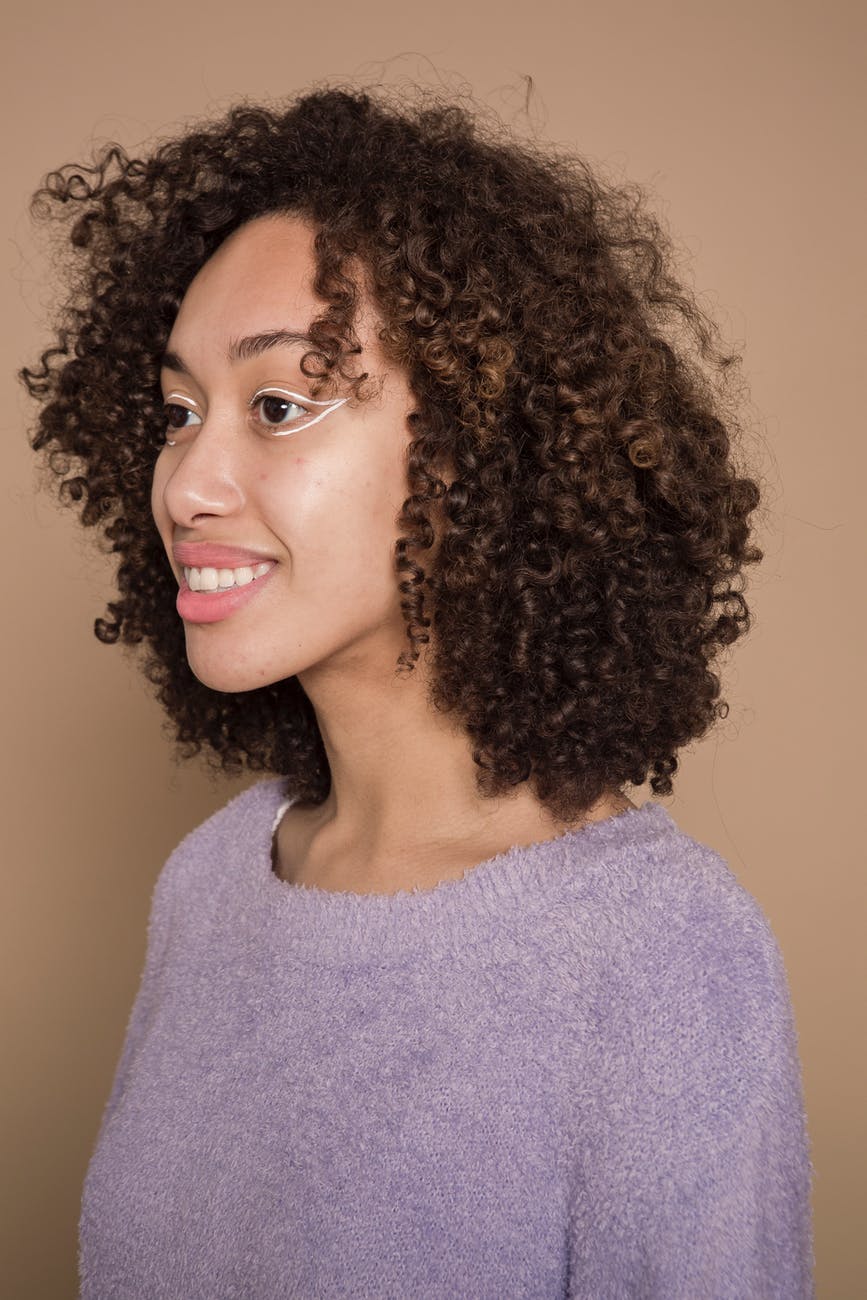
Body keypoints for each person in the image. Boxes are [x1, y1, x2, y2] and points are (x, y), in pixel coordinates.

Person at [21, 85, 815, 1298]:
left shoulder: (660, 958)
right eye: (179, 412)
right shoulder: (214, 878)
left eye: (278, 405)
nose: (185, 483)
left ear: (478, 447)